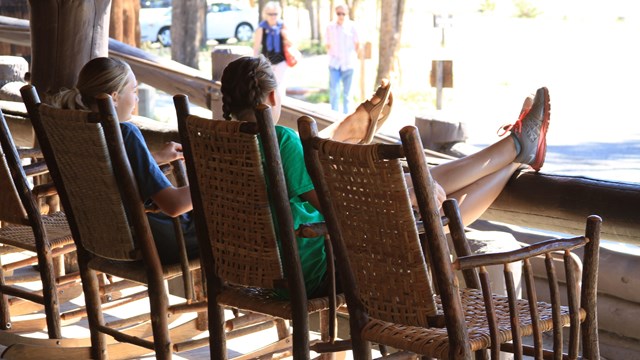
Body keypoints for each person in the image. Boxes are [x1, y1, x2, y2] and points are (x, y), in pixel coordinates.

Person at [220, 55, 550, 298]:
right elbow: (338, 209)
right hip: (316, 272)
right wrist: (391, 196)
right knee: (426, 215)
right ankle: (516, 152)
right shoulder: (280, 140)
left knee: (418, 187)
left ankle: (515, 151)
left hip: (259, 272)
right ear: (274, 97)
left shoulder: (219, 143)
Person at [50, 57, 197, 264]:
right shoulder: (125, 133)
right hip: (159, 242)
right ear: (115, 97)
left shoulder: (80, 134)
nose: (136, 99)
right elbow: (174, 205)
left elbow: (113, 175)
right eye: (134, 91)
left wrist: (154, 159)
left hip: (104, 238)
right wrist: (217, 179)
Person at [325, 3, 360, 114]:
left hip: (349, 64)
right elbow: (327, 44)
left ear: (347, 13)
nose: (341, 16)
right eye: (338, 13)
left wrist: (352, 57)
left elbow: (357, 44)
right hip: (334, 64)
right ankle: (332, 117)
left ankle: (346, 117)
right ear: (335, 13)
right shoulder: (329, 27)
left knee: (347, 95)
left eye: (343, 13)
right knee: (334, 92)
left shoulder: (353, 27)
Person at [253, 1, 291, 98]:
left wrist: (285, 36)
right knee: (268, 89)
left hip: (281, 62)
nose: (273, 16)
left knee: (280, 89)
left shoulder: (282, 25)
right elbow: (256, 47)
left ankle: (282, 111)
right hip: (267, 63)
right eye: (270, 14)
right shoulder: (261, 28)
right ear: (265, 14)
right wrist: (254, 63)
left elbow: (291, 43)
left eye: (275, 14)